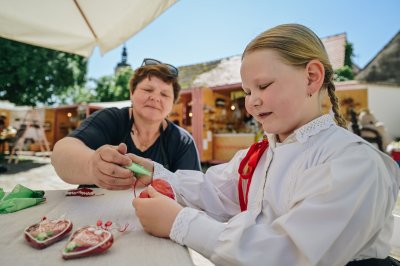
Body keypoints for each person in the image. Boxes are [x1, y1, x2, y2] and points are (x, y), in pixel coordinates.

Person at [130, 24, 400, 265]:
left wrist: (180, 223)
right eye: (247, 91)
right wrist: (145, 172)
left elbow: (289, 253)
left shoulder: (353, 162)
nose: (252, 101)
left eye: (263, 85)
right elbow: (212, 190)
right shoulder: (262, 154)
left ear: (312, 77)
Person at [51, 58, 201, 189]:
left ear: (172, 103)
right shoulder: (110, 119)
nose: (155, 98)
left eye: (165, 94)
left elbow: (194, 190)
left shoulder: (182, 141)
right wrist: (92, 166)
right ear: (132, 93)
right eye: (148, 89)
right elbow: (61, 153)